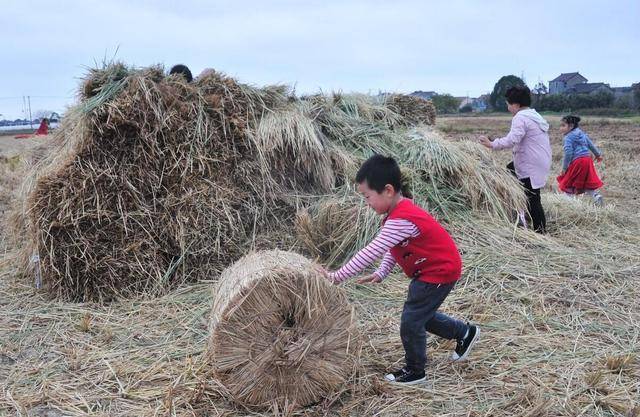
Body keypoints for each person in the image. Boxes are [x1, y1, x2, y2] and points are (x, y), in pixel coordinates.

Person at [327, 155, 480, 385]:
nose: (366, 202)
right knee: (422, 317)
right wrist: (382, 272)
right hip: (435, 270)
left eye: (367, 196)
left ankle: (415, 371)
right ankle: (464, 333)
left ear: (387, 190)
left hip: (438, 271)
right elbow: (393, 248)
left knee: (411, 321)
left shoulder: (401, 218)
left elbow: (372, 250)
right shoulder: (397, 215)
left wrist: (337, 276)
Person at [479, 86, 551, 233]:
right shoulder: (533, 115)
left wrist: (492, 144)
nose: (508, 107)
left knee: (533, 199)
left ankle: (540, 232)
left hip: (530, 163)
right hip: (538, 160)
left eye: (508, 104)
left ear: (516, 105)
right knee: (510, 170)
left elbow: (513, 139)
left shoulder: (521, 117)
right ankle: (519, 209)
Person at [557, 115, 604, 205]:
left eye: (563, 125)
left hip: (578, 161)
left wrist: (565, 168)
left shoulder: (568, 138)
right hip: (587, 160)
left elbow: (568, 153)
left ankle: (568, 202)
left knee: (569, 181)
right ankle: (596, 196)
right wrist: (598, 155)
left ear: (571, 126)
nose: (560, 128)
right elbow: (590, 144)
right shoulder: (581, 133)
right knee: (586, 180)